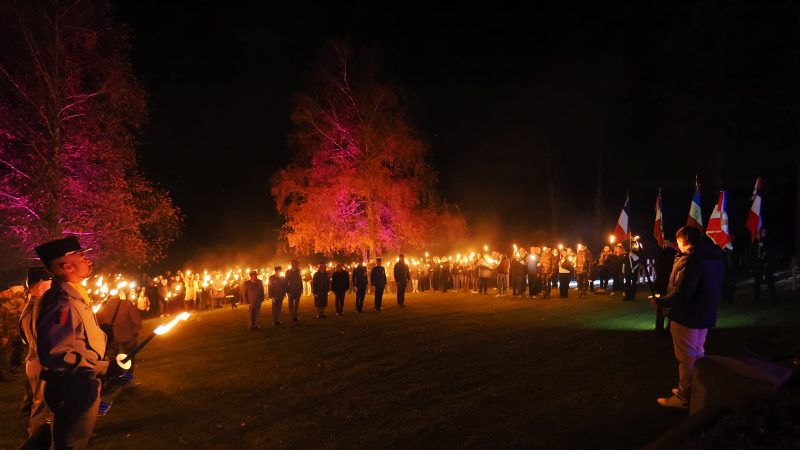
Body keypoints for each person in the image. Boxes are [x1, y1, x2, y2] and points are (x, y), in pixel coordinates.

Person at [34, 236, 123, 449]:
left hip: (81, 383)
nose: (87, 259)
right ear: (67, 266)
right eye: (81, 255)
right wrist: (103, 367)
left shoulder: (75, 297)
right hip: (72, 386)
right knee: (71, 444)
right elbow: (56, 354)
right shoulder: (61, 303)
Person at [652, 226, 724, 409]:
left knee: (686, 358)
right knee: (697, 354)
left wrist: (661, 302)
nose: (677, 246)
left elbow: (682, 293)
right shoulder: (713, 257)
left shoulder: (691, 260)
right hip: (704, 314)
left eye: (678, 242)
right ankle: (695, 389)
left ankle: (686, 397)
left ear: (684, 241)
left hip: (687, 316)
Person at [17, 267, 53, 449]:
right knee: (41, 406)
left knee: (45, 404)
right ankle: (36, 440)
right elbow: (41, 341)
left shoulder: (34, 306)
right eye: (49, 285)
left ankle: (44, 438)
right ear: (40, 287)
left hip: (38, 361)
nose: (52, 289)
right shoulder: (36, 309)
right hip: (41, 362)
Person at [96, 289, 142, 389]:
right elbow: (136, 320)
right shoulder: (128, 304)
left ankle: (112, 379)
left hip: (111, 336)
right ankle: (128, 380)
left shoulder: (109, 304)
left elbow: (100, 318)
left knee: (111, 359)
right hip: (126, 335)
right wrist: (137, 330)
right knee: (129, 359)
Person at [654, 240, 678, 333]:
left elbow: (658, 270)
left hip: (662, 284)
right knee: (671, 306)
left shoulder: (661, 255)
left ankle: (659, 328)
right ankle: (669, 329)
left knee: (661, 307)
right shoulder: (676, 255)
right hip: (672, 284)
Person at [749, 228, 778, 303]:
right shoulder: (755, 243)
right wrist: (753, 265)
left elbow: (771, 253)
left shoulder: (769, 242)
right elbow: (753, 254)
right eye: (758, 233)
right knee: (757, 282)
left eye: (761, 232)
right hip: (758, 266)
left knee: (770, 281)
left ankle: (775, 299)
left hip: (767, 265)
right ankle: (757, 299)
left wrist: (769, 263)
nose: (758, 234)